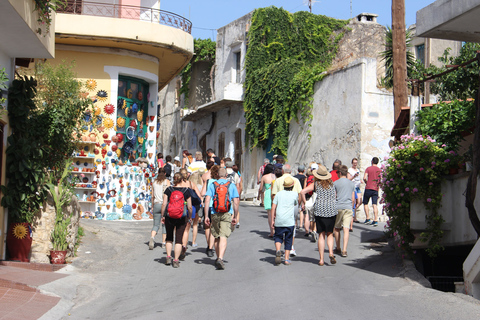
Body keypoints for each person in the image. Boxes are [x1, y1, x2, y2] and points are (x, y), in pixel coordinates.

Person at [301, 165, 338, 266]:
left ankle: (321, 259)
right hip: (331, 210)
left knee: (321, 235)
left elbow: (302, 191)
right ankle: (331, 252)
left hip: (320, 210)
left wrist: (305, 203)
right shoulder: (332, 184)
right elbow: (335, 196)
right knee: (330, 233)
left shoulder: (316, 184)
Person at [204, 167, 240, 270]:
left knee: (216, 236)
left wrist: (206, 216)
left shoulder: (213, 185)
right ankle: (220, 257)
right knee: (223, 235)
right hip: (227, 213)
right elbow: (236, 202)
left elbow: (207, 200)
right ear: (226, 176)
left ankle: (217, 256)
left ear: (217, 175)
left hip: (215, 212)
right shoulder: (231, 185)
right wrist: (235, 215)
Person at [161, 173, 193, 268]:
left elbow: (164, 204)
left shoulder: (168, 190)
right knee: (179, 239)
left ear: (174, 179)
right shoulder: (186, 191)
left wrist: (163, 215)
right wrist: (190, 217)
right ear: (182, 180)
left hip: (169, 216)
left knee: (169, 237)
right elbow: (190, 207)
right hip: (181, 217)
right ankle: (175, 260)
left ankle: (168, 257)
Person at [271, 164, 302, 256]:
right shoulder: (295, 180)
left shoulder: (278, 181)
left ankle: (280, 248)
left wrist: (275, 210)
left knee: (280, 228)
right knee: (292, 226)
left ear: (283, 171)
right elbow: (299, 194)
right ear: (291, 171)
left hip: (280, 205)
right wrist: (298, 204)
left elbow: (273, 195)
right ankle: (290, 247)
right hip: (293, 205)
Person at [271, 177, 298, 266]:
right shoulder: (294, 194)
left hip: (279, 220)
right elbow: (296, 204)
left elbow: (273, 207)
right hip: (289, 221)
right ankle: (286, 259)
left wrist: (272, 220)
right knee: (288, 239)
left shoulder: (278, 194)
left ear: (283, 185)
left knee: (278, 237)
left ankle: (278, 250)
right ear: (292, 186)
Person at [177, 168, 202, 260]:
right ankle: (184, 246)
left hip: (179, 208)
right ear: (187, 175)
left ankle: (179, 246)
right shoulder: (191, 184)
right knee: (187, 229)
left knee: (179, 229)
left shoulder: (177, 184)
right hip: (190, 208)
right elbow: (199, 197)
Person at [333, 165, 355, 258]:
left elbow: (334, 196)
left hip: (338, 206)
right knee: (346, 228)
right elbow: (353, 198)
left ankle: (338, 247)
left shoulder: (336, 183)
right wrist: (352, 206)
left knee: (337, 228)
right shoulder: (351, 184)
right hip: (348, 207)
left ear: (340, 173)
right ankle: (345, 250)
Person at [149, 167, 171, 250]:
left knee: (156, 224)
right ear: (165, 174)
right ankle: (163, 242)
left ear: (158, 173)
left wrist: (152, 205)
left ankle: (152, 237)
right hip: (164, 204)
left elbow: (152, 195)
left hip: (156, 204)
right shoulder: (167, 182)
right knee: (164, 224)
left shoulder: (154, 182)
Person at [201, 164, 219, 257]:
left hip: (208, 206)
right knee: (213, 227)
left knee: (207, 227)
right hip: (217, 207)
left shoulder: (208, 182)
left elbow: (203, 193)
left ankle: (209, 245)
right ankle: (211, 247)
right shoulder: (221, 182)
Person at [257, 164, 276, 237]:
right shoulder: (275, 176)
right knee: (276, 213)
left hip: (268, 194)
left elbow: (261, 188)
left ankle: (272, 231)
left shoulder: (264, 177)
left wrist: (259, 196)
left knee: (269, 214)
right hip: (275, 193)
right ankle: (277, 230)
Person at [363, 157, 381, 226]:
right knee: (374, 204)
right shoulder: (379, 170)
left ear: (372, 161)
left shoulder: (368, 168)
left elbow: (364, 178)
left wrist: (367, 182)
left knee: (365, 203)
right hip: (375, 188)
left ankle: (367, 218)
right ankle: (375, 219)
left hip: (368, 187)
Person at [348, 158, 362, 224]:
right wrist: (354, 176)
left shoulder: (358, 170)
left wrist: (360, 181)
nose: (355, 164)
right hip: (353, 187)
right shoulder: (350, 170)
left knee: (360, 201)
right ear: (352, 163)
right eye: (354, 163)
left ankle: (353, 214)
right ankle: (354, 217)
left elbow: (358, 179)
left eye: (356, 163)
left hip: (358, 187)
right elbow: (349, 179)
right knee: (354, 202)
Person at [294, 165, 307, 230]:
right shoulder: (305, 177)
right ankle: (301, 224)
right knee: (301, 210)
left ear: (297, 170)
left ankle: (296, 223)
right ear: (304, 171)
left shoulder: (294, 177)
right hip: (302, 193)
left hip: (295, 193)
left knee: (296, 208)